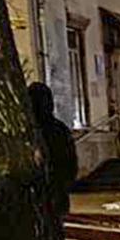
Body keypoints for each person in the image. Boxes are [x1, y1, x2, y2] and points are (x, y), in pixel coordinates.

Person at [29, 82, 78, 220]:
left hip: (44, 193)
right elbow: (71, 162)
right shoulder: (59, 129)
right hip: (55, 192)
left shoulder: (31, 131)